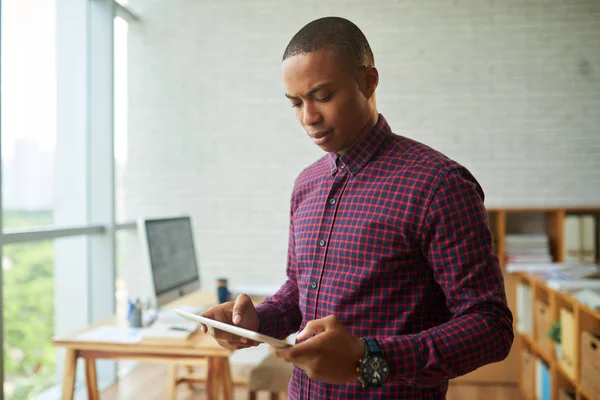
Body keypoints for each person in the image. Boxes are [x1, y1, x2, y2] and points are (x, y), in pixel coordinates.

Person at [199, 16, 514, 399]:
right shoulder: (306, 185)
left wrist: (369, 359)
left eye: (323, 96)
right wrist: (256, 321)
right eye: (296, 103)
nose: (308, 118)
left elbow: (490, 325)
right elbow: (300, 290)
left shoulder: (438, 184)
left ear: (368, 81)